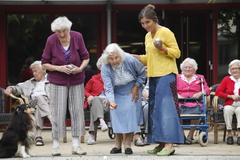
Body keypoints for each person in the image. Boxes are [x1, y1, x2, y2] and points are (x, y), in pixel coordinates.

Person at [132, 4, 183, 156]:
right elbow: (149, 58)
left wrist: (163, 48)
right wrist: (132, 57)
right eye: (142, 23)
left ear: (155, 20)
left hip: (167, 75)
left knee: (166, 110)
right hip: (153, 76)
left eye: (147, 22)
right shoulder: (147, 36)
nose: (145, 26)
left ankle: (170, 144)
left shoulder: (166, 32)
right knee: (155, 111)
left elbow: (177, 53)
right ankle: (161, 143)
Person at [41, 16, 90, 156]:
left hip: (77, 79)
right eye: (58, 32)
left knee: (77, 112)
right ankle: (56, 146)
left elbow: (86, 57)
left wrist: (80, 68)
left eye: (64, 31)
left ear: (69, 29)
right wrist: (59, 68)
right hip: (57, 81)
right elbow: (44, 63)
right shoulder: (51, 40)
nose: (62, 34)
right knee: (57, 113)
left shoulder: (77, 37)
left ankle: (76, 146)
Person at [101, 43, 146, 154]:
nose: (114, 61)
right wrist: (111, 101)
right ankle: (117, 145)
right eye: (111, 59)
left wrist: (136, 87)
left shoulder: (130, 60)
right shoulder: (105, 67)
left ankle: (127, 145)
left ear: (120, 55)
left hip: (131, 89)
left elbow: (142, 72)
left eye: (116, 57)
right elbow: (108, 87)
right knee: (116, 114)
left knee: (130, 113)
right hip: (116, 91)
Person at [4, 60, 52, 146]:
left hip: (48, 105)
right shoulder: (30, 82)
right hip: (32, 104)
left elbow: (60, 94)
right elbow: (17, 88)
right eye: (32, 71)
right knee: (39, 98)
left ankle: (38, 137)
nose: (33, 74)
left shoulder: (53, 81)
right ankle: (51, 119)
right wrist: (10, 88)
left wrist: (51, 100)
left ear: (44, 70)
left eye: (35, 71)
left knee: (38, 107)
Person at [177, 57, 211, 144]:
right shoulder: (177, 77)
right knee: (176, 110)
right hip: (180, 101)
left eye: (190, 67)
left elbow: (207, 90)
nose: (187, 69)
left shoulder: (200, 78)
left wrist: (200, 92)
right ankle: (181, 135)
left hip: (195, 102)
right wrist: (176, 94)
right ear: (182, 68)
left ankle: (190, 135)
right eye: (185, 67)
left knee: (197, 110)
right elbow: (170, 89)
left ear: (195, 69)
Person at [84, 57, 109, 145]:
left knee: (94, 111)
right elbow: (85, 90)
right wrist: (89, 96)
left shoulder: (112, 79)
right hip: (95, 101)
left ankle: (91, 135)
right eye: (103, 65)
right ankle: (102, 121)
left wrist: (110, 98)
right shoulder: (94, 78)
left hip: (107, 104)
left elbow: (117, 92)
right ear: (99, 67)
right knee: (96, 99)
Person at [215, 59, 240, 145]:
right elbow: (218, 92)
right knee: (227, 109)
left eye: (236, 68)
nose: (234, 70)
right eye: (232, 69)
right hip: (230, 103)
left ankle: (239, 135)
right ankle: (229, 135)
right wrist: (230, 96)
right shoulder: (226, 79)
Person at [134, 78, 149, 146]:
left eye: (147, 68)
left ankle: (147, 134)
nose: (145, 70)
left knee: (147, 108)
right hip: (136, 101)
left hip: (149, 102)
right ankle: (137, 135)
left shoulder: (153, 79)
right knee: (135, 108)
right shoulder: (135, 79)